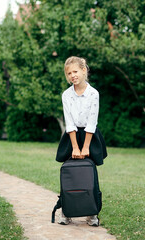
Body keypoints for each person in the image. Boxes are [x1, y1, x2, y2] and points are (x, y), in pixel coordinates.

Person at [56, 56, 107, 226]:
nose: (73, 75)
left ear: (84, 71)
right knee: (70, 172)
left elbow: (92, 123)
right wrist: (75, 148)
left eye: (75, 71)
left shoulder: (93, 94)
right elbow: (69, 122)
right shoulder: (66, 95)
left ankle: (91, 212)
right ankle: (67, 210)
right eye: (69, 73)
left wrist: (85, 147)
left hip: (89, 136)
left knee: (89, 172)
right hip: (72, 136)